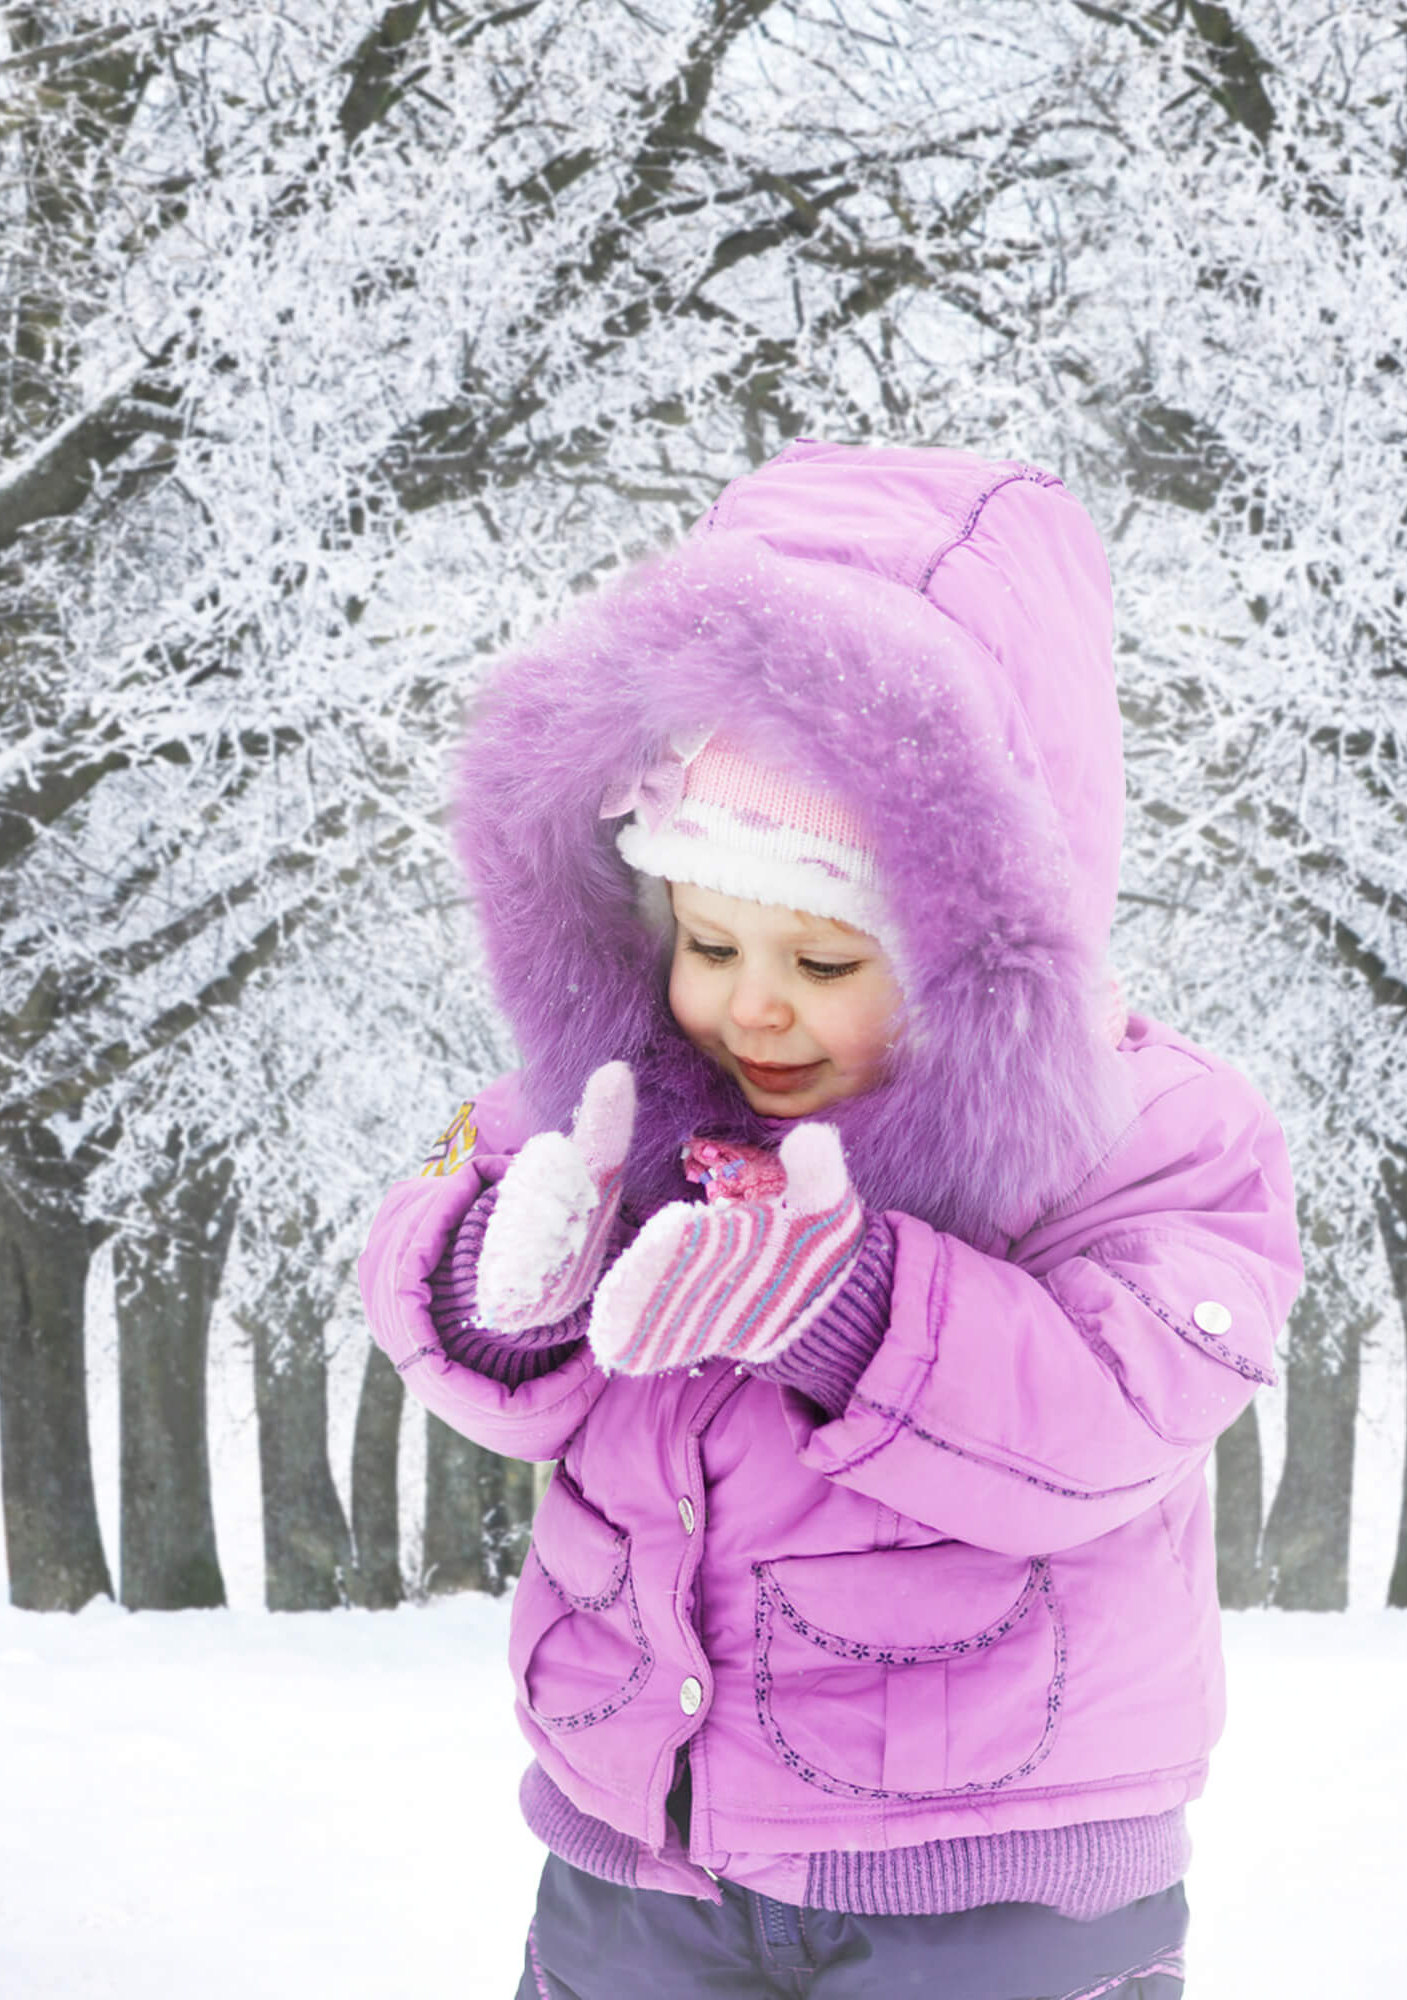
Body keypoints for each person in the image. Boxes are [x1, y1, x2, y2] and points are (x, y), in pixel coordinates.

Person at [358, 442, 1302, 1998]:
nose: (753, 1005)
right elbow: (463, 1312)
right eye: (710, 938)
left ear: (975, 942)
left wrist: (844, 1302)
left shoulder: (1152, 1134)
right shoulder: (630, 1098)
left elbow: (1111, 1419)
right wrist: (493, 1284)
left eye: (827, 961)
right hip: (639, 1847)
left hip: (990, 1884)